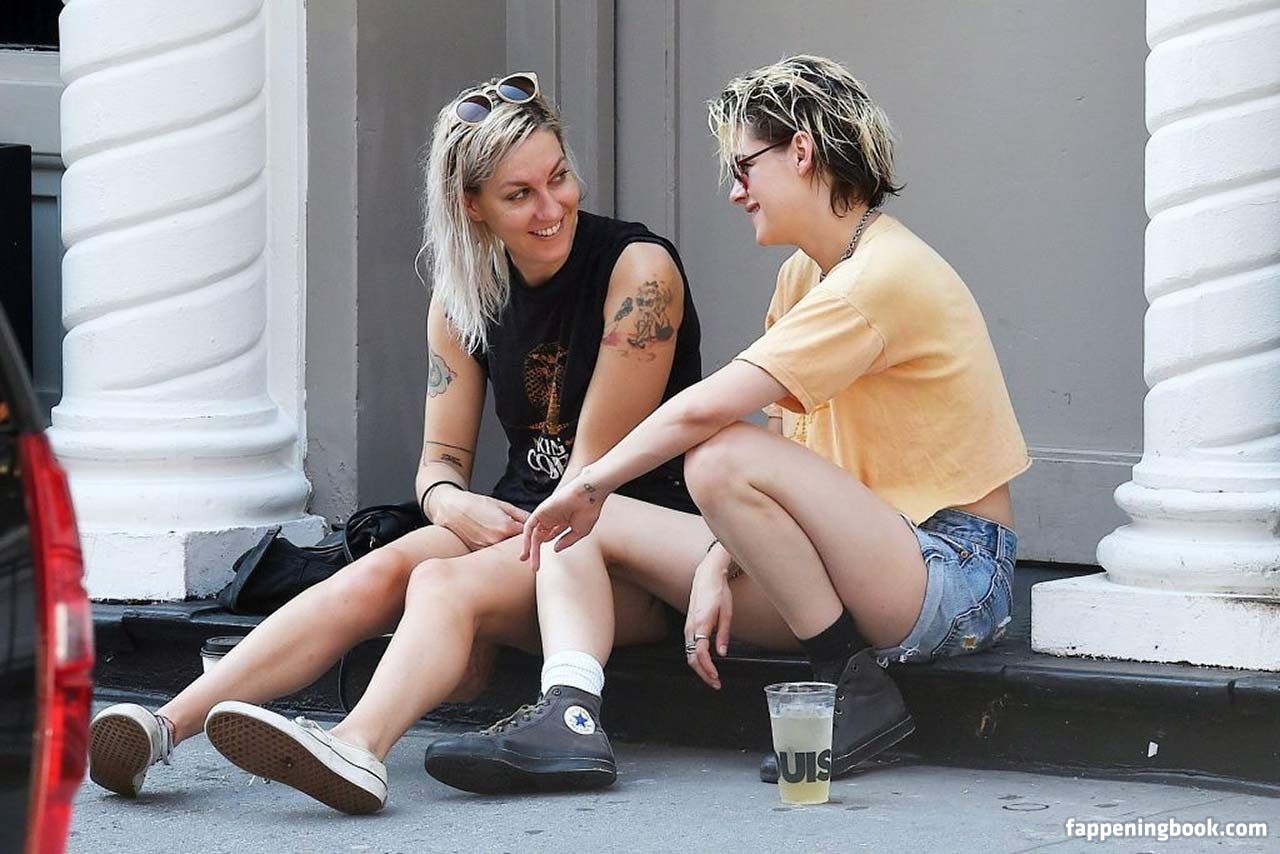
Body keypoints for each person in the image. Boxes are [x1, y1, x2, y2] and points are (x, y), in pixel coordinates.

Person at [86, 71, 711, 814]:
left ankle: (358, 746)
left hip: (625, 553)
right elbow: (439, 462)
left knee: (439, 580)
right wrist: (449, 503)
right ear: (472, 205)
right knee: (381, 569)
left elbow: (588, 481)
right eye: (520, 195)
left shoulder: (638, 273)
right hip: (522, 529)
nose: (552, 208)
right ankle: (163, 727)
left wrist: (469, 534)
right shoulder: (465, 296)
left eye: (559, 178)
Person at [427, 54, 1030, 792]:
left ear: (801, 152)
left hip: (955, 575)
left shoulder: (883, 275)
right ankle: (570, 713)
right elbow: (791, 466)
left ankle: (853, 686)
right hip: (868, 558)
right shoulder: (804, 275)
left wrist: (591, 480)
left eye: (745, 167)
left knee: (712, 456)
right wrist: (719, 557)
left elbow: (709, 410)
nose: (736, 191)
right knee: (583, 525)